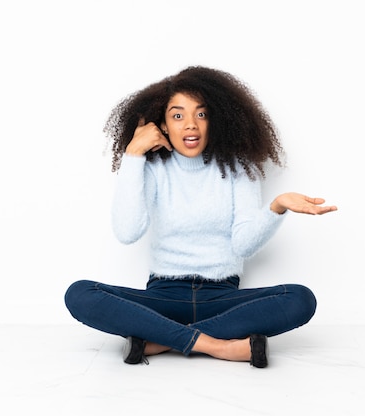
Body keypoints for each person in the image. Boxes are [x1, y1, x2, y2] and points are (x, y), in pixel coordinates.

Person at [64, 65, 337, 368]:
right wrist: (133, 155)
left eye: (201, 114)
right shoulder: (152, 169)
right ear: (163, 125)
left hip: (222, 299)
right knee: (79, 294)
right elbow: (127, 231)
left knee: (300, 299)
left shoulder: (239, 169)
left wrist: (277, 206)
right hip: (162, 298)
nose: (190, 125)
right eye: (178, 116)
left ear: (215, 120)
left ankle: (160, 341)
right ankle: (218, 347)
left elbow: (244, 245)